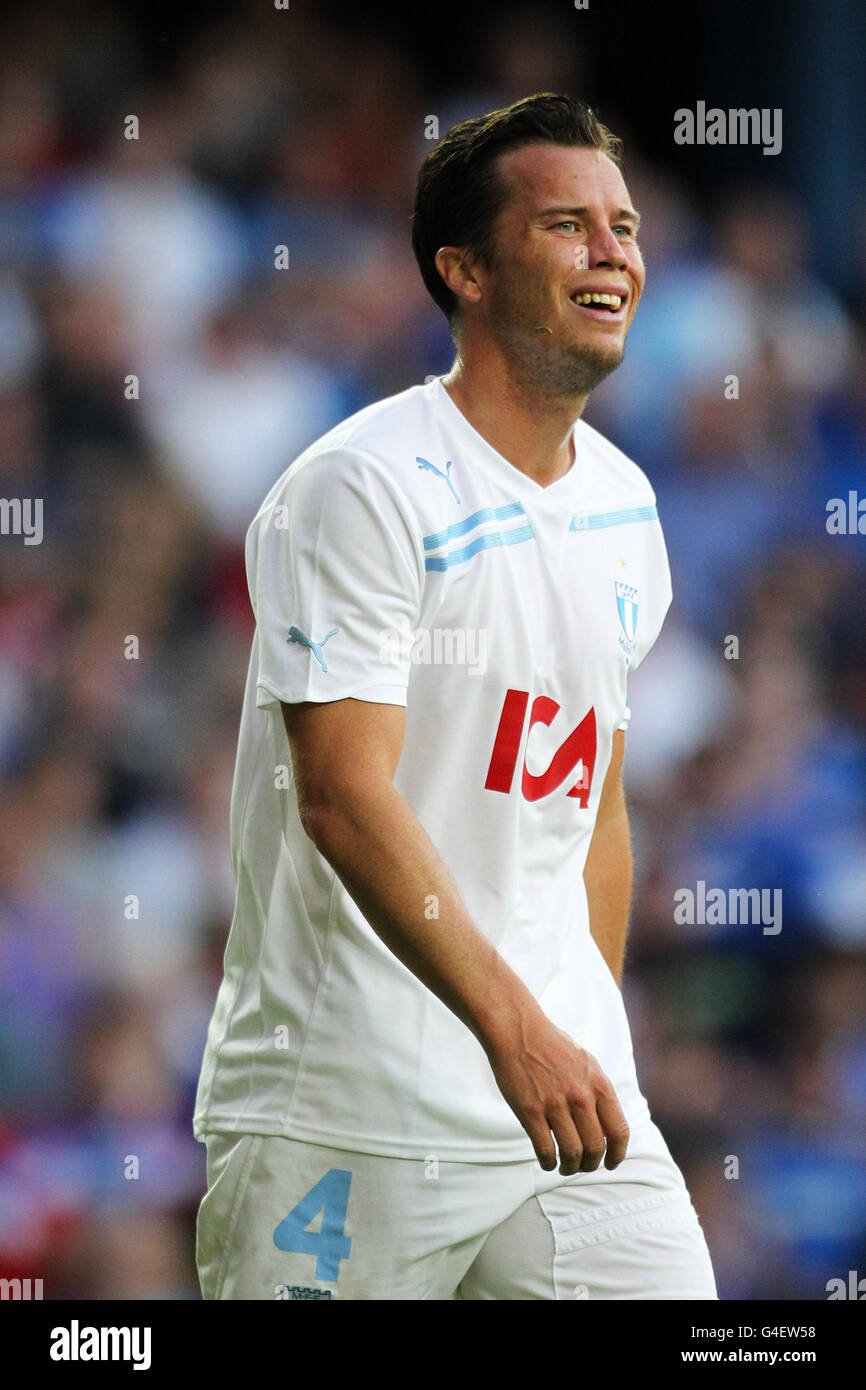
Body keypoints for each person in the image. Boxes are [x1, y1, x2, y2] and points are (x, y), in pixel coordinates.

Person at [193, 92, 718, 1301]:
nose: (613, 254)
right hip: (347, 1112)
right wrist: (517, 1032)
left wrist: (576, 1030)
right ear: (463, 271)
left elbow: (592, 806)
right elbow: (337, 794)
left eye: (624, 226)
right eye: (567, 226)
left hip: (559, 1105)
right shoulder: (362, 489)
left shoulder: (626, 508)